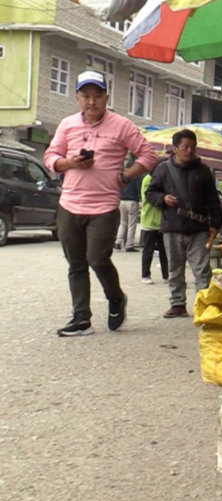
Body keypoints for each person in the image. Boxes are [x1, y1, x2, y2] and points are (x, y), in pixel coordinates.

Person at [43, 69, 157, 337]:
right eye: (85, 96)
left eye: (97, 96)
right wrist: (69, 163)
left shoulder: (122, 125)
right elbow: (51, 156)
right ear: (77, 98)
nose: (91, 101)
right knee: (76, 264)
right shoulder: (67, 124)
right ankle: (81, 318)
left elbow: (148, 155)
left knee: (97, 258)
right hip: (69, 204)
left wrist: (126, 175)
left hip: (104, 207)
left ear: (106, 97)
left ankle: (116, 297)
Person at [145, 128, 222, 318]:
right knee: (175, 268)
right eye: (185, 147)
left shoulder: (203, 171)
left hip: (199, 228)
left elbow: (213, 199)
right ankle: (178, 303)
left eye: (193, 147)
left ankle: (204, 305)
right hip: (172, 226)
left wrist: (215, 224)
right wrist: (163, 199)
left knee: (202, 269)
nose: (189, 151)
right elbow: (150, 193)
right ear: (175, 148)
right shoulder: (162, 169)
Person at [138, 172, 168, 284]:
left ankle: (166, 275)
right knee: (148, 250)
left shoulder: (163, 177)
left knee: (164, 250)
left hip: (162, 221)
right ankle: (145, 275)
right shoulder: (148, 179)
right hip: (149, 221)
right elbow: (149, 198)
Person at [115, 156, 142, 252]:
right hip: (132, 201)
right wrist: (140, 199)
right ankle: (129, 244)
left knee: (123, 222)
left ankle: (118, 242)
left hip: (122, 201)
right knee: (132, 224)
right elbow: (139, 189)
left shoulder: (121, 175)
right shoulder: (135, 177)